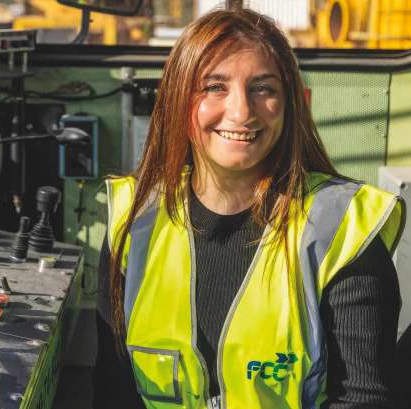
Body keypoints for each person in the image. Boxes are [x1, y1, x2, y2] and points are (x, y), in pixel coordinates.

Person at [93, 7, 405, 409]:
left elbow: (362, 398)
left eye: (263, 89)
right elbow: (114, 387)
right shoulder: (133, 221)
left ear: (289, 104)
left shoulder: (343, 228)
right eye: (215, 87)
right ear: (177, 98)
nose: (241, 112)